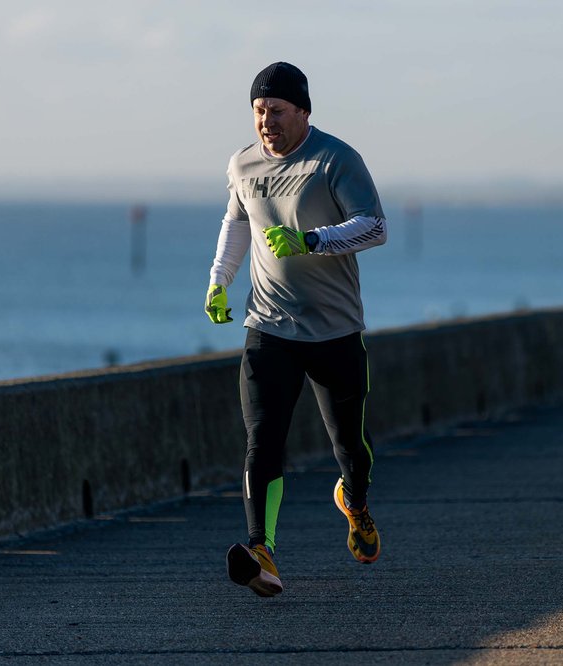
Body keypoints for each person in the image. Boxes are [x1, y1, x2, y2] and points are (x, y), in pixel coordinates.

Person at [205, 62, 387, 597]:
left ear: (303, 111)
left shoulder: (336, 159)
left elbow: (375, 226)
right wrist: (219, 281)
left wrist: (312, 241)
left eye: (277, 111)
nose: (267, 122)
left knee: (349, 445)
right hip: (269, 327)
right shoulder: (243, 165)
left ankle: (354, 501)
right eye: (259, 111)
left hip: (334, 331)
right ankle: (262, 549)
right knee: (263, 439)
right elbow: (237, 222)